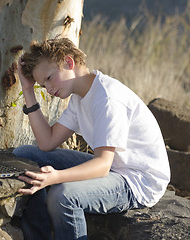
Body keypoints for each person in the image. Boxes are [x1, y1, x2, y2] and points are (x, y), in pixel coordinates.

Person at [12, 38, 170, 240]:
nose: (49, 89)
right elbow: (46, 142)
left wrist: (56, 177)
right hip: (115, 168)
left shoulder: (107, 98)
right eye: (43, 85)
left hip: (137, 181)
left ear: (69, 63)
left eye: (49, 78)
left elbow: (103, 165)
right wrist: (28, 90)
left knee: (62, 195)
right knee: (24, 155)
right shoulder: (79, 96)